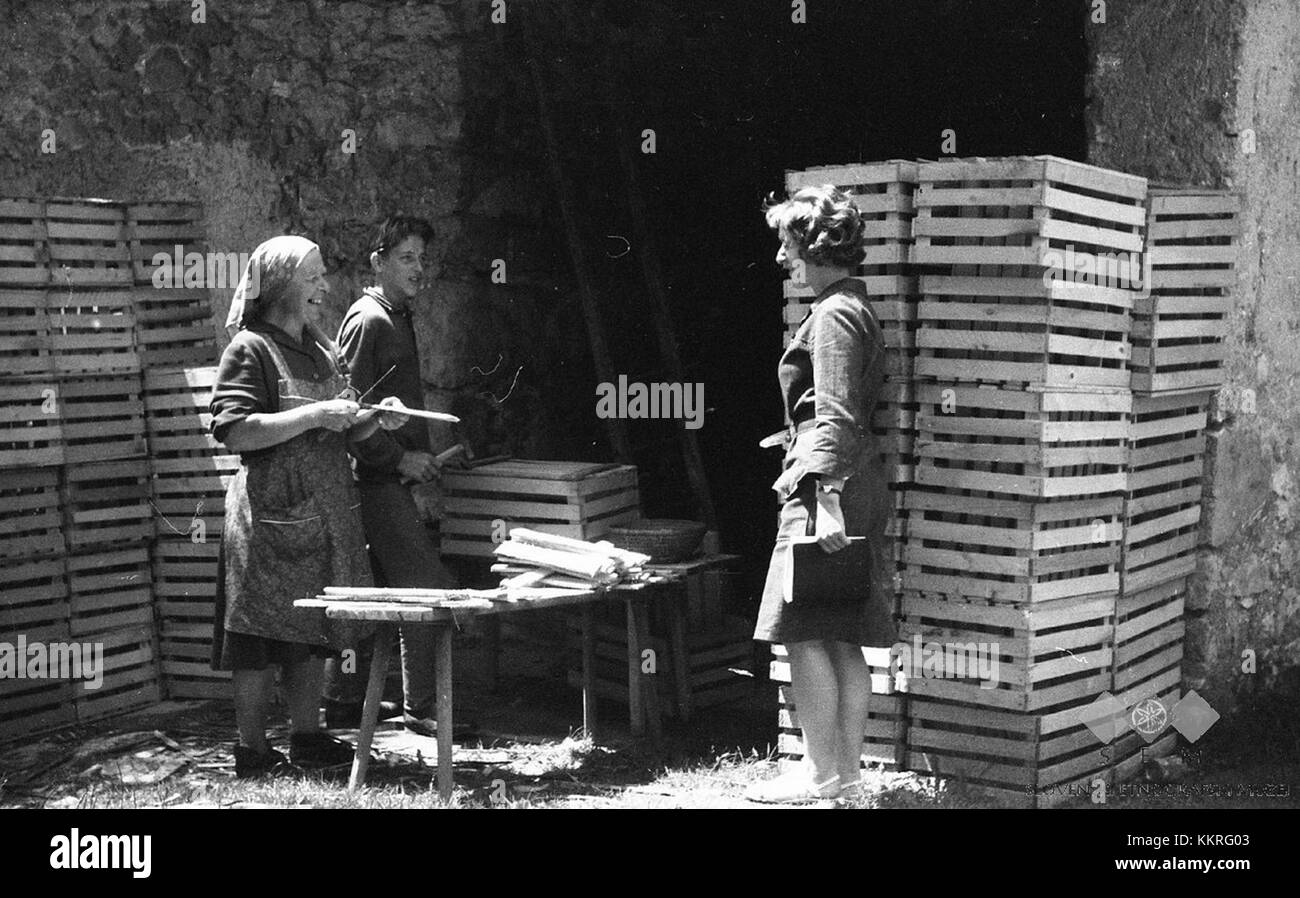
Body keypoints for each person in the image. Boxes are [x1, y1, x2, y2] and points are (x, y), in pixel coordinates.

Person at [210, 235, 405, 777]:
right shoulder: (250, 349)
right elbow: (233, 431)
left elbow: (344, 424)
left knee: (312, 632)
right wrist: (316, 415)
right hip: (271, 515)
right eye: (313, 276)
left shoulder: (322, 347)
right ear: (279, 286)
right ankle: (251, 749)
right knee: (257, 636)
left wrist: (372, 420)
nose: (324, 286)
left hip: (324, 515)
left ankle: (308, 736)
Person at [746, 186, 893, 803]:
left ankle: (818, 775)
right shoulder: (854, 307)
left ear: (815, 245)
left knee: (804, 632)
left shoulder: (832, 315)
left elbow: (834, 415)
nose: (782, 258)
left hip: (827, 487)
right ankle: (848, 779)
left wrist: (824, 494)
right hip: (855, 477)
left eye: (787, 244)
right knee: (840, 633)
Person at [322, 215, 463, 737]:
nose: (419, 268)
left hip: (386, 480)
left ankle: (341, 705)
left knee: (375, 592)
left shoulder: (395, 315)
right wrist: (399, 460)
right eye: (406, 258)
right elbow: (349, 413)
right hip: (371, 483)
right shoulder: (369, 320)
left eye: (422, 258)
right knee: (428, 586)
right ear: (377, 262)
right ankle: (424, 708)